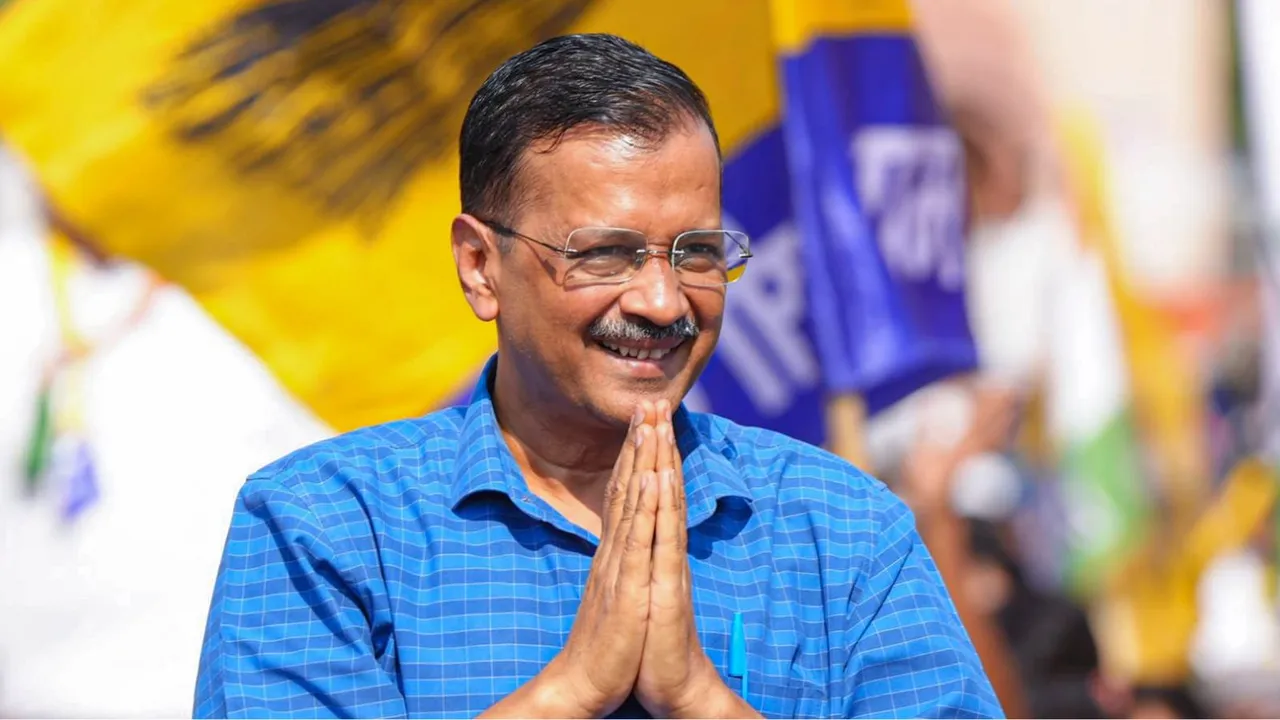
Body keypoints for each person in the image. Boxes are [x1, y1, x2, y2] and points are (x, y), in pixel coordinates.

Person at [193, 33, 1002, 719]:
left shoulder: (841, 530)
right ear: (480, 267)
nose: (660, 300)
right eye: (606, 254)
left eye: (698, 253)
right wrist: (573, 688)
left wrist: (699, 698)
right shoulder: (328, 526)